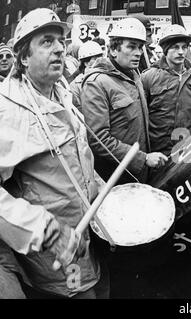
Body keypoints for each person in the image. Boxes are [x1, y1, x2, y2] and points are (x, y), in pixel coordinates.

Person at [0, 8, 108, 299]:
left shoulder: (62, 92)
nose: (60, 48)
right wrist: (46, 231)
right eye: (47, 41)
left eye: (60, 40)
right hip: (51, 260)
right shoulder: (6, 111)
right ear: (23, 57)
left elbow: (77, 158)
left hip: (87, 240)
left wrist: (102, 191)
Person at [81, 18, 168, 185]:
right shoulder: (97, 83)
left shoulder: (134, 75)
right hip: (114, 178)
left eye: (140, 47)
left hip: (138, 173)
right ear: (113, 50)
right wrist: (142, 158)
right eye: (131, 47)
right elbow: (98, 139)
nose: (138, 53)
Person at [141, 24, 191, 157]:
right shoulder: (148, 77)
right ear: (165, 50)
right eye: (175, 47)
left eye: (184, 47)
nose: (181, 52)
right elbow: (141, 117)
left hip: (188, 151)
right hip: (157, 152)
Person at [70, 41, 103, 110]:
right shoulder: (76, 85)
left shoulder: (106, 77)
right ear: (86, 63)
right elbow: (78, 109)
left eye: (100, 57)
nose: (100, 61)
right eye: (95, 59)